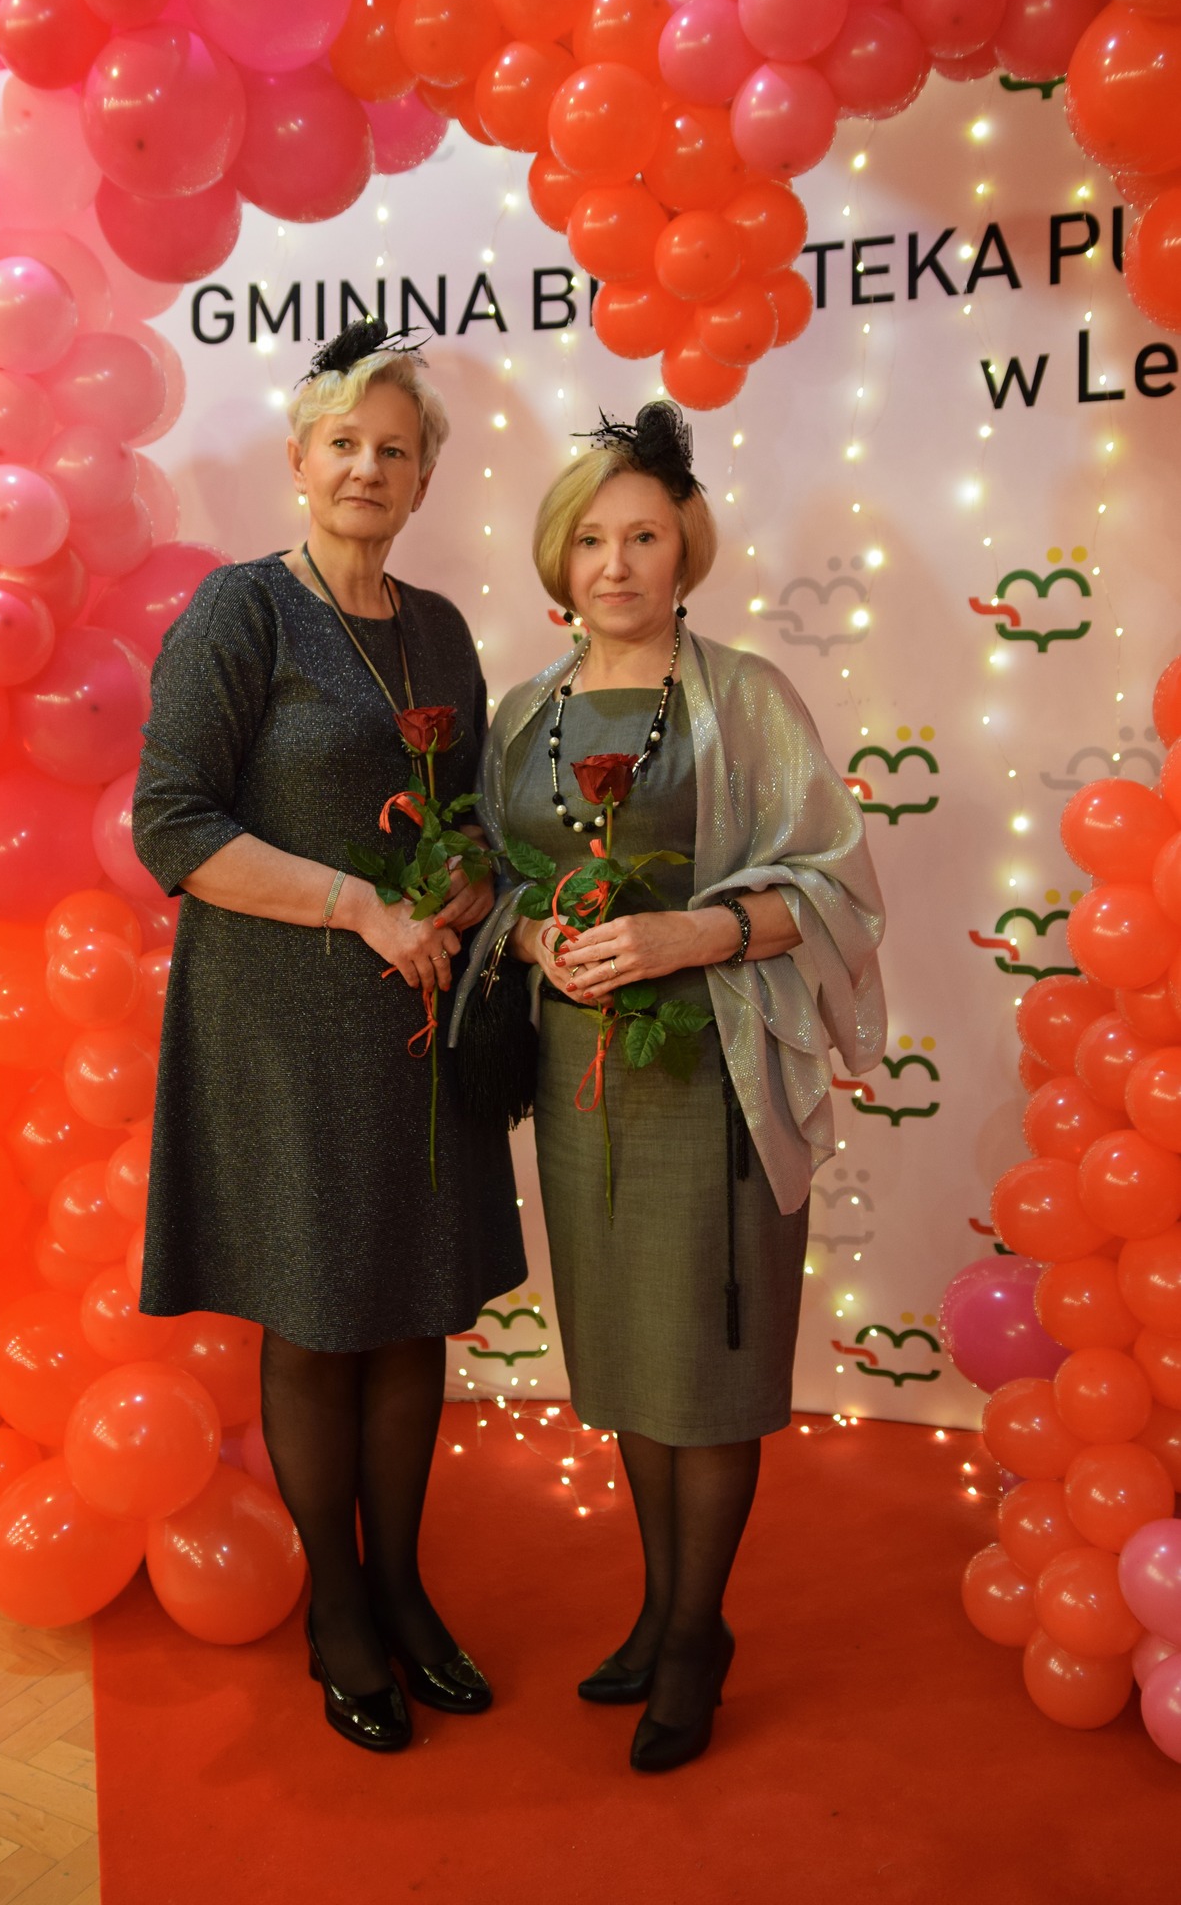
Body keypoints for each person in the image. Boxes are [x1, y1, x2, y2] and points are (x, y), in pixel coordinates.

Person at [471, 402, 885, 1773]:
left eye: (644, 536)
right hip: (581, 1088)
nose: (617, 563)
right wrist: (535, 938)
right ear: (559, 555)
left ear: (683, 550)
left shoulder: (747, 699)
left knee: (705, 1368)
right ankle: (659, 1608)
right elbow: (496, 883)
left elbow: (833, 884)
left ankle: (699, 1634)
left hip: (714, 1083)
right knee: (630, 1366)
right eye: (591, 538)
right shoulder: (522, 715)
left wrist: (688, 935)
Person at [132, 321, 526, 1754]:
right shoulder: (239, 613)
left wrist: (470, 874)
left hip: (418, 1022)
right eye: (345, 442)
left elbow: (470, 815)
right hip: (283, 1024)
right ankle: (340, 1610)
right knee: (313, 1319)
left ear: (424, 479)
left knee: (411, 1312)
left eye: (395, 449)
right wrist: (358, 904)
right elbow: (173, 825)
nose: (368, 467)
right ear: (301, 460)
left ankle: (403, 1587)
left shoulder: (442, 630)